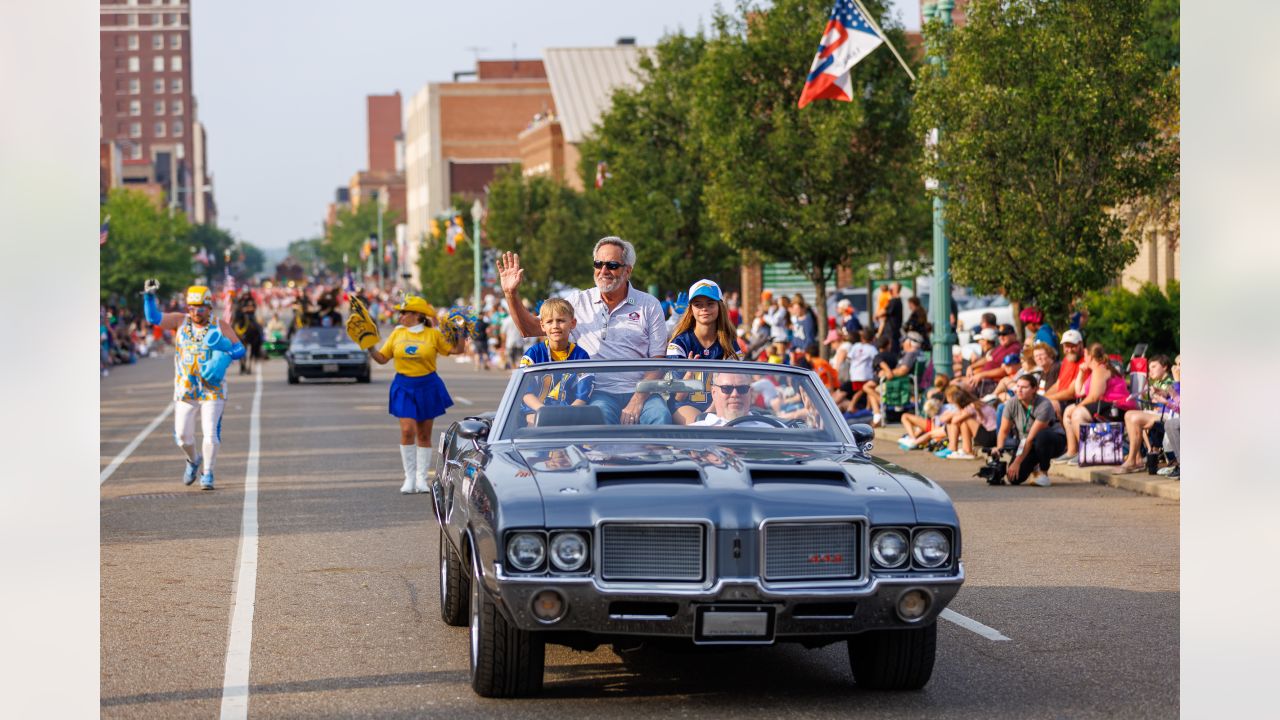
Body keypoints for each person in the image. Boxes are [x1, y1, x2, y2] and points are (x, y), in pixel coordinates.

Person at [497, 237, 672, 425]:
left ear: (628, 270)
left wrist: (637, 400)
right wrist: (510, 294)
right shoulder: (578, 301)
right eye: (599, 264)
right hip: (598, 393)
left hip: (642, 392)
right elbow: (530, 329)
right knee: (597, 421)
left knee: (661, 417)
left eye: (612, 265)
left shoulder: (649, 304)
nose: (603, 271)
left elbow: (658, 361)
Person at [143, 280, 244, 491]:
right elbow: (153, 318)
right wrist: (149, 297)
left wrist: (226, 356)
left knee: (210, 433)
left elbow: (239, 348)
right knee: (182, 437)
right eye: (191, 308)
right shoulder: (180, 322)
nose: (195, 312)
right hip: (185, 389)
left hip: (212, 389)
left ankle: (208, 473)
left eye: (200, 308)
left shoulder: (219, 325)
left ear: (208, 307)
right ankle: (193, 460)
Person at [355, 295, 457, 494]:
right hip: (404, 385)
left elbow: (456, 350)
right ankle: (409, 477)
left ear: (418, 315)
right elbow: (382, 358)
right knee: (407, 430)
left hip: (428, 384)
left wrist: (460, 332)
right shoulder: (397, 334)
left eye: (404, 312)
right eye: (400, 312)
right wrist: (368, 345)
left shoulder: (432, 335)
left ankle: (421, 479)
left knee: (424, 434)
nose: (400, 316)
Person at [665, 279, 740, 425]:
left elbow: (733, 391)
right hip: (685, 405)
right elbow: (678, 398)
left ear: (720, 307)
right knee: (701, 427)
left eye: (710, 304)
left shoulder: (730, 345)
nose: (704, 309)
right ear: (691, 309)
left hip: (721, 406)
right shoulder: (679, 343)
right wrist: (689, 374)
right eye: (698, 305)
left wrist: (711, 413)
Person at [1055, 343, 1134, 466]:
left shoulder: (1101, 369)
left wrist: (1078, 407)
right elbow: (1079, 392)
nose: (1083, 358)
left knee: (1077, 413)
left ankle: (1087, 452)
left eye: (1085, 355)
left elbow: (1094, 396)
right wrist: (1081, 372)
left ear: (1090, 356)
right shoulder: (1094, 371)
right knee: (1068, 410)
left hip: (1116, 407)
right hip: (1105, 405)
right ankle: (1072, 451)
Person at [518, 298, 594, 424]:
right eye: (549, 321)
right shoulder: (533, 354)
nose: (555, 326)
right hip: (535, 411)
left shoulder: (581, 355)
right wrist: (544, 412)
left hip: (570, 414)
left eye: (561, 321)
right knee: (531, 423)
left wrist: (566, 415)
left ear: (573, 323)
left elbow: (583, 395)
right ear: (542, 326)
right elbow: (525, 391)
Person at [992, 373, 1068, 486]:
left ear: (1034, 389)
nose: (1019, 390)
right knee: (1014, 478)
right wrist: (999, 448)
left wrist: (1018, 461)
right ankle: (1034, 465)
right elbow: (1003, 431)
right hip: (1026, 442)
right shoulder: (1012, 403)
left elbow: (1031, 437)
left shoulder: (1044, 405)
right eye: (1017, 386)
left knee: (1041, 436)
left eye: (1024, 387)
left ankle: (1043, 473)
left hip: (1052, 441)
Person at [1113, 354, 1174, 473]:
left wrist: (1160, 393)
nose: (1150, 370)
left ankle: (1133, 460)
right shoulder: (1159, 382)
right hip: (1161, 412)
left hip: (1168, 414)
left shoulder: (1169, 380)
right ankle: (1137, 458)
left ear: (1165, 367)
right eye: (1149, 367)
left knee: (1133, 417)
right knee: (1129, 415)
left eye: (1154, 366)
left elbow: (1169, 391)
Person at [690, 372, 776, 427]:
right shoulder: (693, 433)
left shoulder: (772, 428)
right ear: (714, 393)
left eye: (742, 388)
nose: (735, 394)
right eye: (726, 388)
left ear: (750, 393)